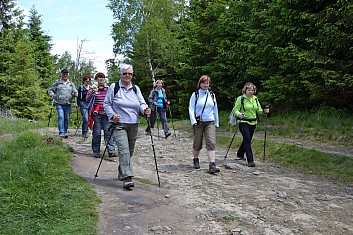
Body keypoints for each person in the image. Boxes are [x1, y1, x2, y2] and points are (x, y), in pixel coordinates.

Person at [104, 64, 151, 190]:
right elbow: (107, 104)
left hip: (133, 124)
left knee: (129, 151)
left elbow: (141, 103)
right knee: (124, 150)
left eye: (129, 73)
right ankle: (127, 177)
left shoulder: (135, 89)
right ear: (121, 74)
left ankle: (122, 171)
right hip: (119, 124)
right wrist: (113, 115)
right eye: (125, 73)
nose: (127, 76)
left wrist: (145, 109)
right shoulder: (114, 87)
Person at [232, 82, 270, 167]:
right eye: (249, 90)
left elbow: (258, 110)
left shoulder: (255, 99)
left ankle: (240, 153)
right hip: (243, 122)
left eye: (252, 90)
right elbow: (236, 109)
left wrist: (264, 111)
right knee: (247, 139)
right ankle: (250, 160)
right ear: (245, 90)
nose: (250, 91)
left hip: (253, 122)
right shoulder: (240, 98)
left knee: (247, 139)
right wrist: (239, 115)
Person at [188, 75, 220, 174]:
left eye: (207, 83)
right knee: (198, 142)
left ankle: (212, 164)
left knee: (211, 142)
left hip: (210, 121)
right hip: (198, 122)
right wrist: (193, 121)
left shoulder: (212, 95)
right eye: (204, 83)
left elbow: (215, 109)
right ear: (200, 84)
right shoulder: (195, 95)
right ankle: (196, 159)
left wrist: (216, 121)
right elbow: (191, 108)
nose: (206, 85)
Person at [86, 72, 117, 158]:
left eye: (102, 77)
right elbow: (87, 100)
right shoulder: (93, 89)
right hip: (96, 114)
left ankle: (111, 151)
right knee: (97, 133)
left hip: (106, 114)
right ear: (96, 79)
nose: (101, 79)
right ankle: (96, 151)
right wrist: (93, 92)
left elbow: (113, 99)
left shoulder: (108, 89)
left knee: (108, 131)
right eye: (99, 77)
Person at [47, 68, 78, 138]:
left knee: (67, 118)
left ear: (68, 75)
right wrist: (52, 94)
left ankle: (65, 131)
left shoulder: (71, 84)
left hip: (68, 104)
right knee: (61, 117)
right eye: (64, 74)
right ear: (62, 74)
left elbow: (75, 91)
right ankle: (61, 132)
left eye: (66, 74)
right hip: (59, 103)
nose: (65, 75)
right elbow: (50, 90)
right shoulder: (57, 82)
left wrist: (75, 93)